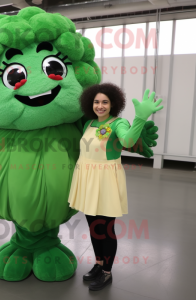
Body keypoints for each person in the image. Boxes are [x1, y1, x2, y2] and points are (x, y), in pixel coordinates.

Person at [67, 82, 163, 291]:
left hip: (106, 178)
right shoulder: (88, 124)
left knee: (105, 228)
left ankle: (107, 272)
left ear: (113, 104)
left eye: (105, 102)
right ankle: (99, 263)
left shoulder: (119, 123)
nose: (100, 106)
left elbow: (128, 141)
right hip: (87, 177)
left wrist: (139, 118)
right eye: (96, 102)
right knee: (93, 225)